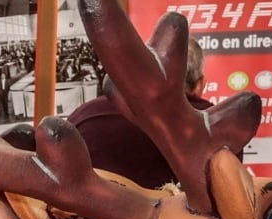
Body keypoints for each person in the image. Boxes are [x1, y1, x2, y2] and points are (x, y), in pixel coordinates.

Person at [67, 38, 212, 192]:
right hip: (179, 214)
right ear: (200, 84)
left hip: (89, 213)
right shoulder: (216, 124)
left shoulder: (84, 116)